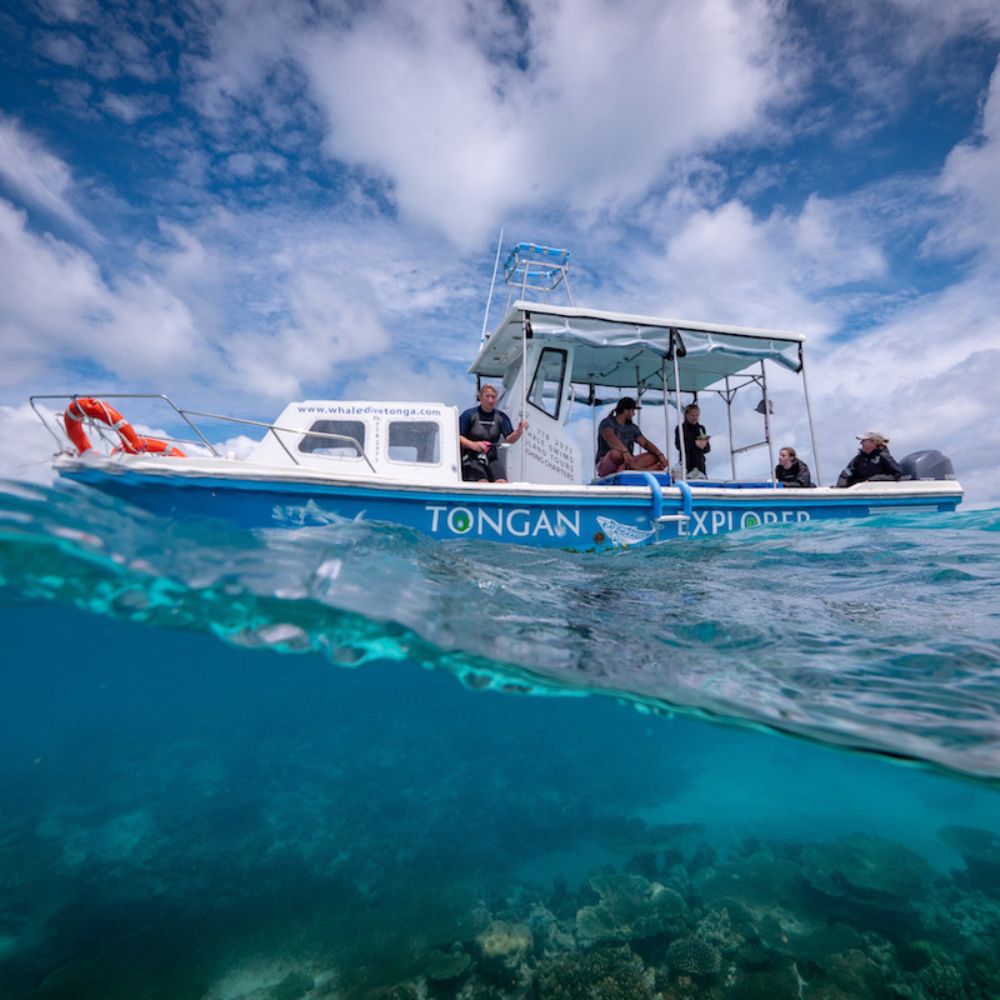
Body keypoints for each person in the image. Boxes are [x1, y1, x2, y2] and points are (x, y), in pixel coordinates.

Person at [459, 384, 528, 483]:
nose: (490, 400)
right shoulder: (468, 415)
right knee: (483, 483)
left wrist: (519, 431)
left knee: (502, 483)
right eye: (487, 396)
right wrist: (473, 445)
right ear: (480, 397)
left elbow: (509, 439)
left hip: (492, 459)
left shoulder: (501, 417)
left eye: (493, 397)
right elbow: (458, 437)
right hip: (471, 459)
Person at [595, 397, 668, 477]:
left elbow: (645, 443)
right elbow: (610, 437)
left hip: (627, 462)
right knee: (616, 453)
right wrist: (624, 452)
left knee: (654, 456)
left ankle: (630, 469)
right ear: (625, 410)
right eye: (633, 411)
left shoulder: (633, 428)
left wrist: (660, 454)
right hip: (608, 463)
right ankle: (642, 469)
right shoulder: (607, 422)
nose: (634, 414)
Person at [835, 431, 902, 487]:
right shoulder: (858, 459)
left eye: (864, 440)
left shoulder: (884, 457)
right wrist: (840, 487)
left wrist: (873, 480)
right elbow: (845, 475)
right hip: (858, 492)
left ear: (874, 442)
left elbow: (897, 475)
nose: (861, 443)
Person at [674, 403, 710, 478]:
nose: (695, 418)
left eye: (697, 415)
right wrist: (695, 443)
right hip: (686, 464)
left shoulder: (701, 428)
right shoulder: (680, 428)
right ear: (686, 415)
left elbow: (707, 449)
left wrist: (704, 445)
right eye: (692, 415)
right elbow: (678, 446)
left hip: (700, 465)